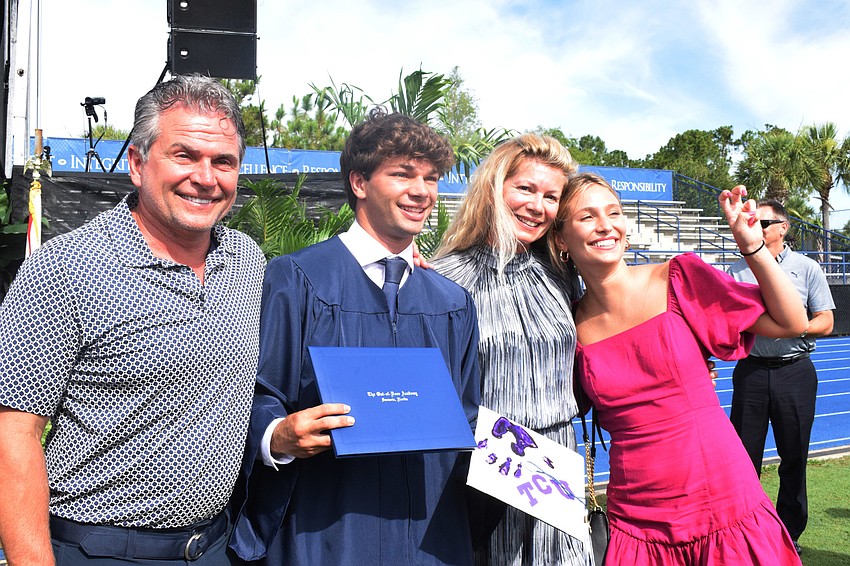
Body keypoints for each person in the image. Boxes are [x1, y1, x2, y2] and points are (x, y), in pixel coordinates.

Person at [0, 75, 265, 565]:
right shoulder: (65, 269)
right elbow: (13, 431)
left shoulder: (246, 262)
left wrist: (396, 257)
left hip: (216, 547)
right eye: (184, 155)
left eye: (223, 162)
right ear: (138, 164)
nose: (206, 177)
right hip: (98, 550)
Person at [229, 108, 481, 565]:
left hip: (431, 535)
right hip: (326, 527)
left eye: (431, 177)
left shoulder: (452, 302)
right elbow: (261, 391)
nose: (421, 191)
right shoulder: (299, 278)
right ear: (360, 183)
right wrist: (277, 436)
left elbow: (465, 415)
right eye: (403, 174)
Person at [553, 172, 807, 565]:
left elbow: (792, 322)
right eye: (587, 217)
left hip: (722, 502)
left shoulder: (679, 278)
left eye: (614, 212)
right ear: (560, 239)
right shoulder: (565, 328)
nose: (606, 225)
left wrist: (752, 246)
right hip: (636, 522)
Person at [431, 133, 592, 566]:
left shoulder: (562, 274)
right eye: (525, 188)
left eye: (551, 196)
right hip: (484, 473)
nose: (537, 206)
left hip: (557, 464)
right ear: (494, 188)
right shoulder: (443, 278)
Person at [727, 199, 835, 555]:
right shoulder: (736, 270)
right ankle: (746, 532)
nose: (755, 225)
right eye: (752, 220)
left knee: (794, 456)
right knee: (744, 459)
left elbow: (827, 320)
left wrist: (791, 327)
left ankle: (789, 534)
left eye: (763, 221)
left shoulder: (807, 268)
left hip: (795, 373)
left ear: (783, 228)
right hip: (751, 373)